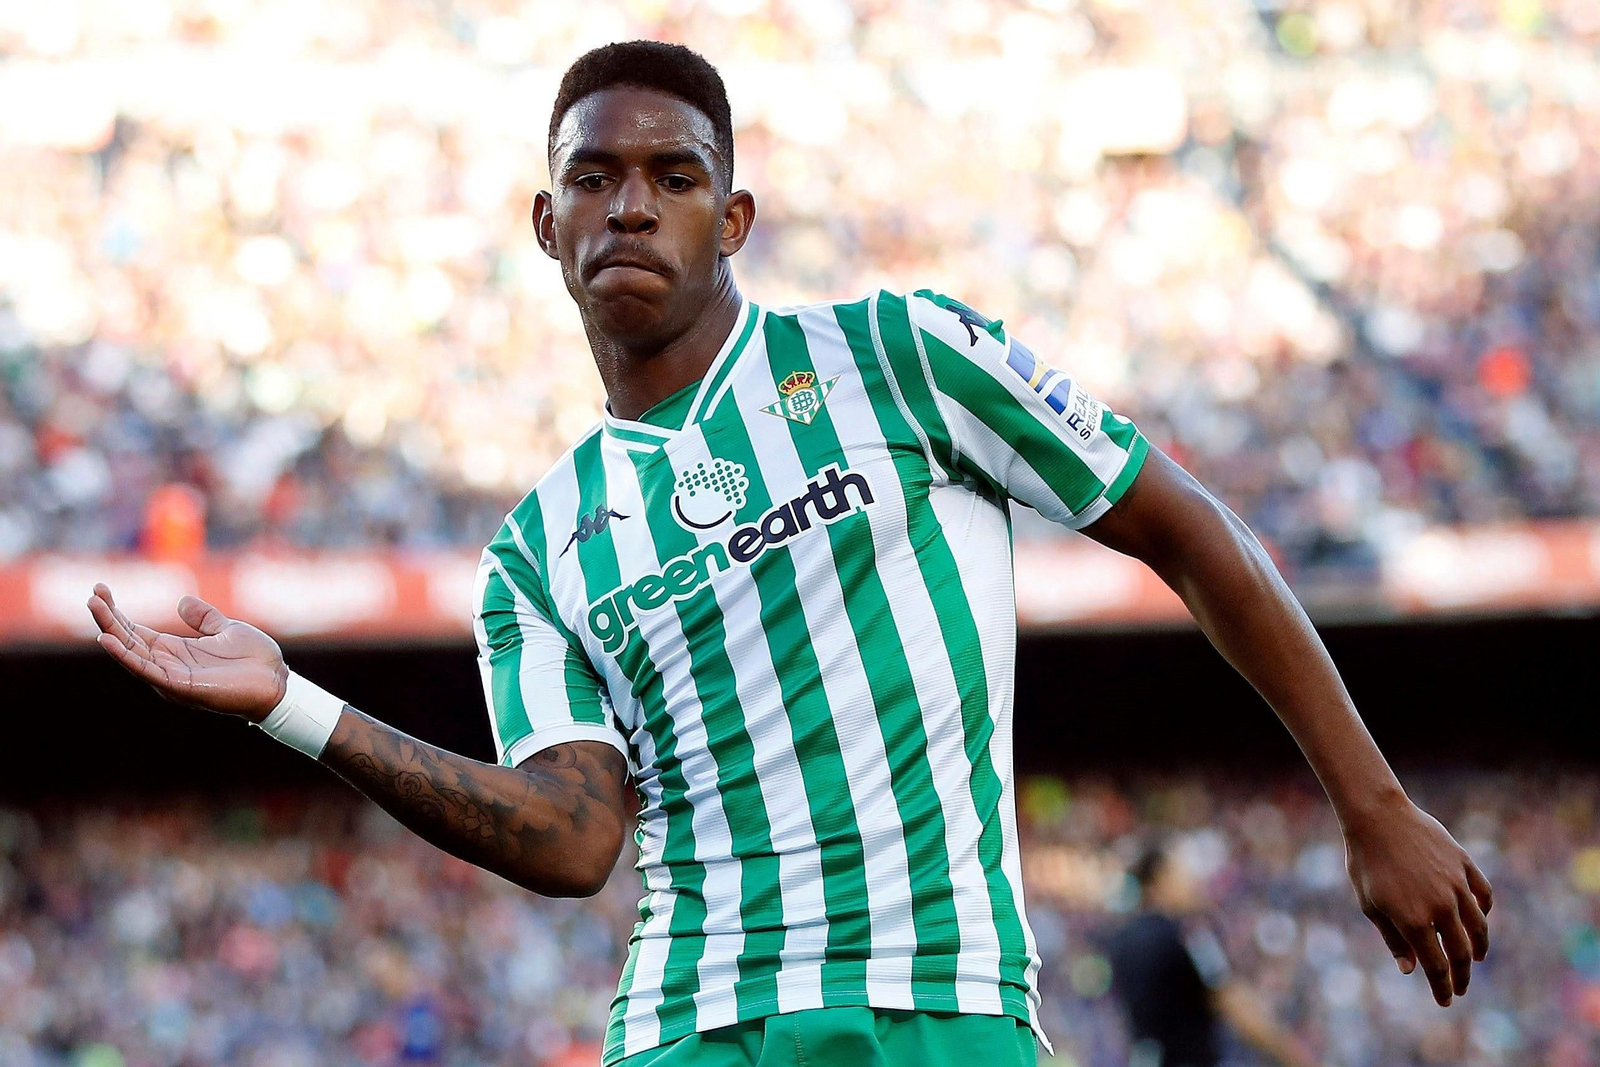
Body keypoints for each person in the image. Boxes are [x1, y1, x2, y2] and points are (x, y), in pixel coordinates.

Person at [88, 39, 1492, 1067]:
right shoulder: (535, 550)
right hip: (690, 1023)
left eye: (672, 175)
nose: (630, 204)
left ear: (733, 217)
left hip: (940, 1001)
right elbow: (575, 839)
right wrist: (292, 702)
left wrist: (1368, 801)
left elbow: (1188, 530)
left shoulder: (902, 356)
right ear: (548, 222)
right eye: (594, 176)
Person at [1105, 844, 1322, 1067]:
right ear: (1160, 880)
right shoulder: (1189, 935)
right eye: (1183, 873)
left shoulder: (1120, 941)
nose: (1193, 881)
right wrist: (1295, 1056)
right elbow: (1233, 1002)